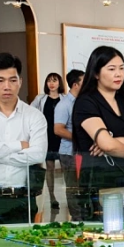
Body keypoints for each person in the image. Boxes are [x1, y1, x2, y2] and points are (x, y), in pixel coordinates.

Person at [71, 46, 124, 222]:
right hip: (99, 181)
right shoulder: (86, 102)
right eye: (111, 69)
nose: (118, 74)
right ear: (96, 73)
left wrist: (116, 140)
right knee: (102, 233)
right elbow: (107, 145)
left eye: (121, 68)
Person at [0, 52, 48, 225]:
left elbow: (38, 155)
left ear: (20, 82)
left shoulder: (34, 116)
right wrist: (19, 145)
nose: (7, 86)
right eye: (0, 80)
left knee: (23, 243)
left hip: (22, 198)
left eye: (12, 80)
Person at [32, 72, 65, 219]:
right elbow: (30, 112)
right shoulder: (40, 99)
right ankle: (52, 197)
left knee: (66, 168)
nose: (52, 83)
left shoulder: (65, 98)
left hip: (62, 137)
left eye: (55, 80)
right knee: (49, 168)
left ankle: (69, 195)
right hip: (47, 137)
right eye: (49, 81)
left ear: (59, 83)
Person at [52, 69, 84, 221]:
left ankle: (86, 216)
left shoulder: (83, 102)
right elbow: (58, 129)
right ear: (75, 85)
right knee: (73, 187)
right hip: (69, 153)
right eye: (84, 81)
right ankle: (77, 219)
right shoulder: (64, 105)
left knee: (83, 185)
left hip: (83, 152)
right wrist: (80, 139)